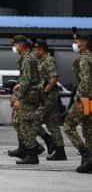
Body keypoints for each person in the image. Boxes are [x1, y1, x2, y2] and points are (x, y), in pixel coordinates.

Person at [10, 35, 44, 164]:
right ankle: (29, 148)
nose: (13, 48)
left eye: (14, 45)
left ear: (21, 45)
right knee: (18, 122)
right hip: (25, 94)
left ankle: (32, 154)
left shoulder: (27, 59)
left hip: (29, 97)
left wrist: (18, 98)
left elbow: (27, 80)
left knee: (25, 125)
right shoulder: (25, 58)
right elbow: (23, 79)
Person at [32, 38, 67, 161]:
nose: (33, 51)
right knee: (52, 124)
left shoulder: (49, 60)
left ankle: (47, 140)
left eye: (35, 49)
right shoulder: (40, 61)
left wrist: (45, 91)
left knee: (33, 120)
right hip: (44, 96)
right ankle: (60, 151)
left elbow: (54, 78)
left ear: (41, 50)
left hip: (49, 96)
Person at [62, 28, 92, 173]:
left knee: (68, 126)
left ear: (84, 44)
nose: (73, 45)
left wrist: (81, 101)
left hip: (86, 100)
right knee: (88, 130)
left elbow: (85, 82)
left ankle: (86, 154)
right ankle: (89, 160)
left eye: (75, 42)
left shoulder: (85, 59)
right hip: (90, 100)